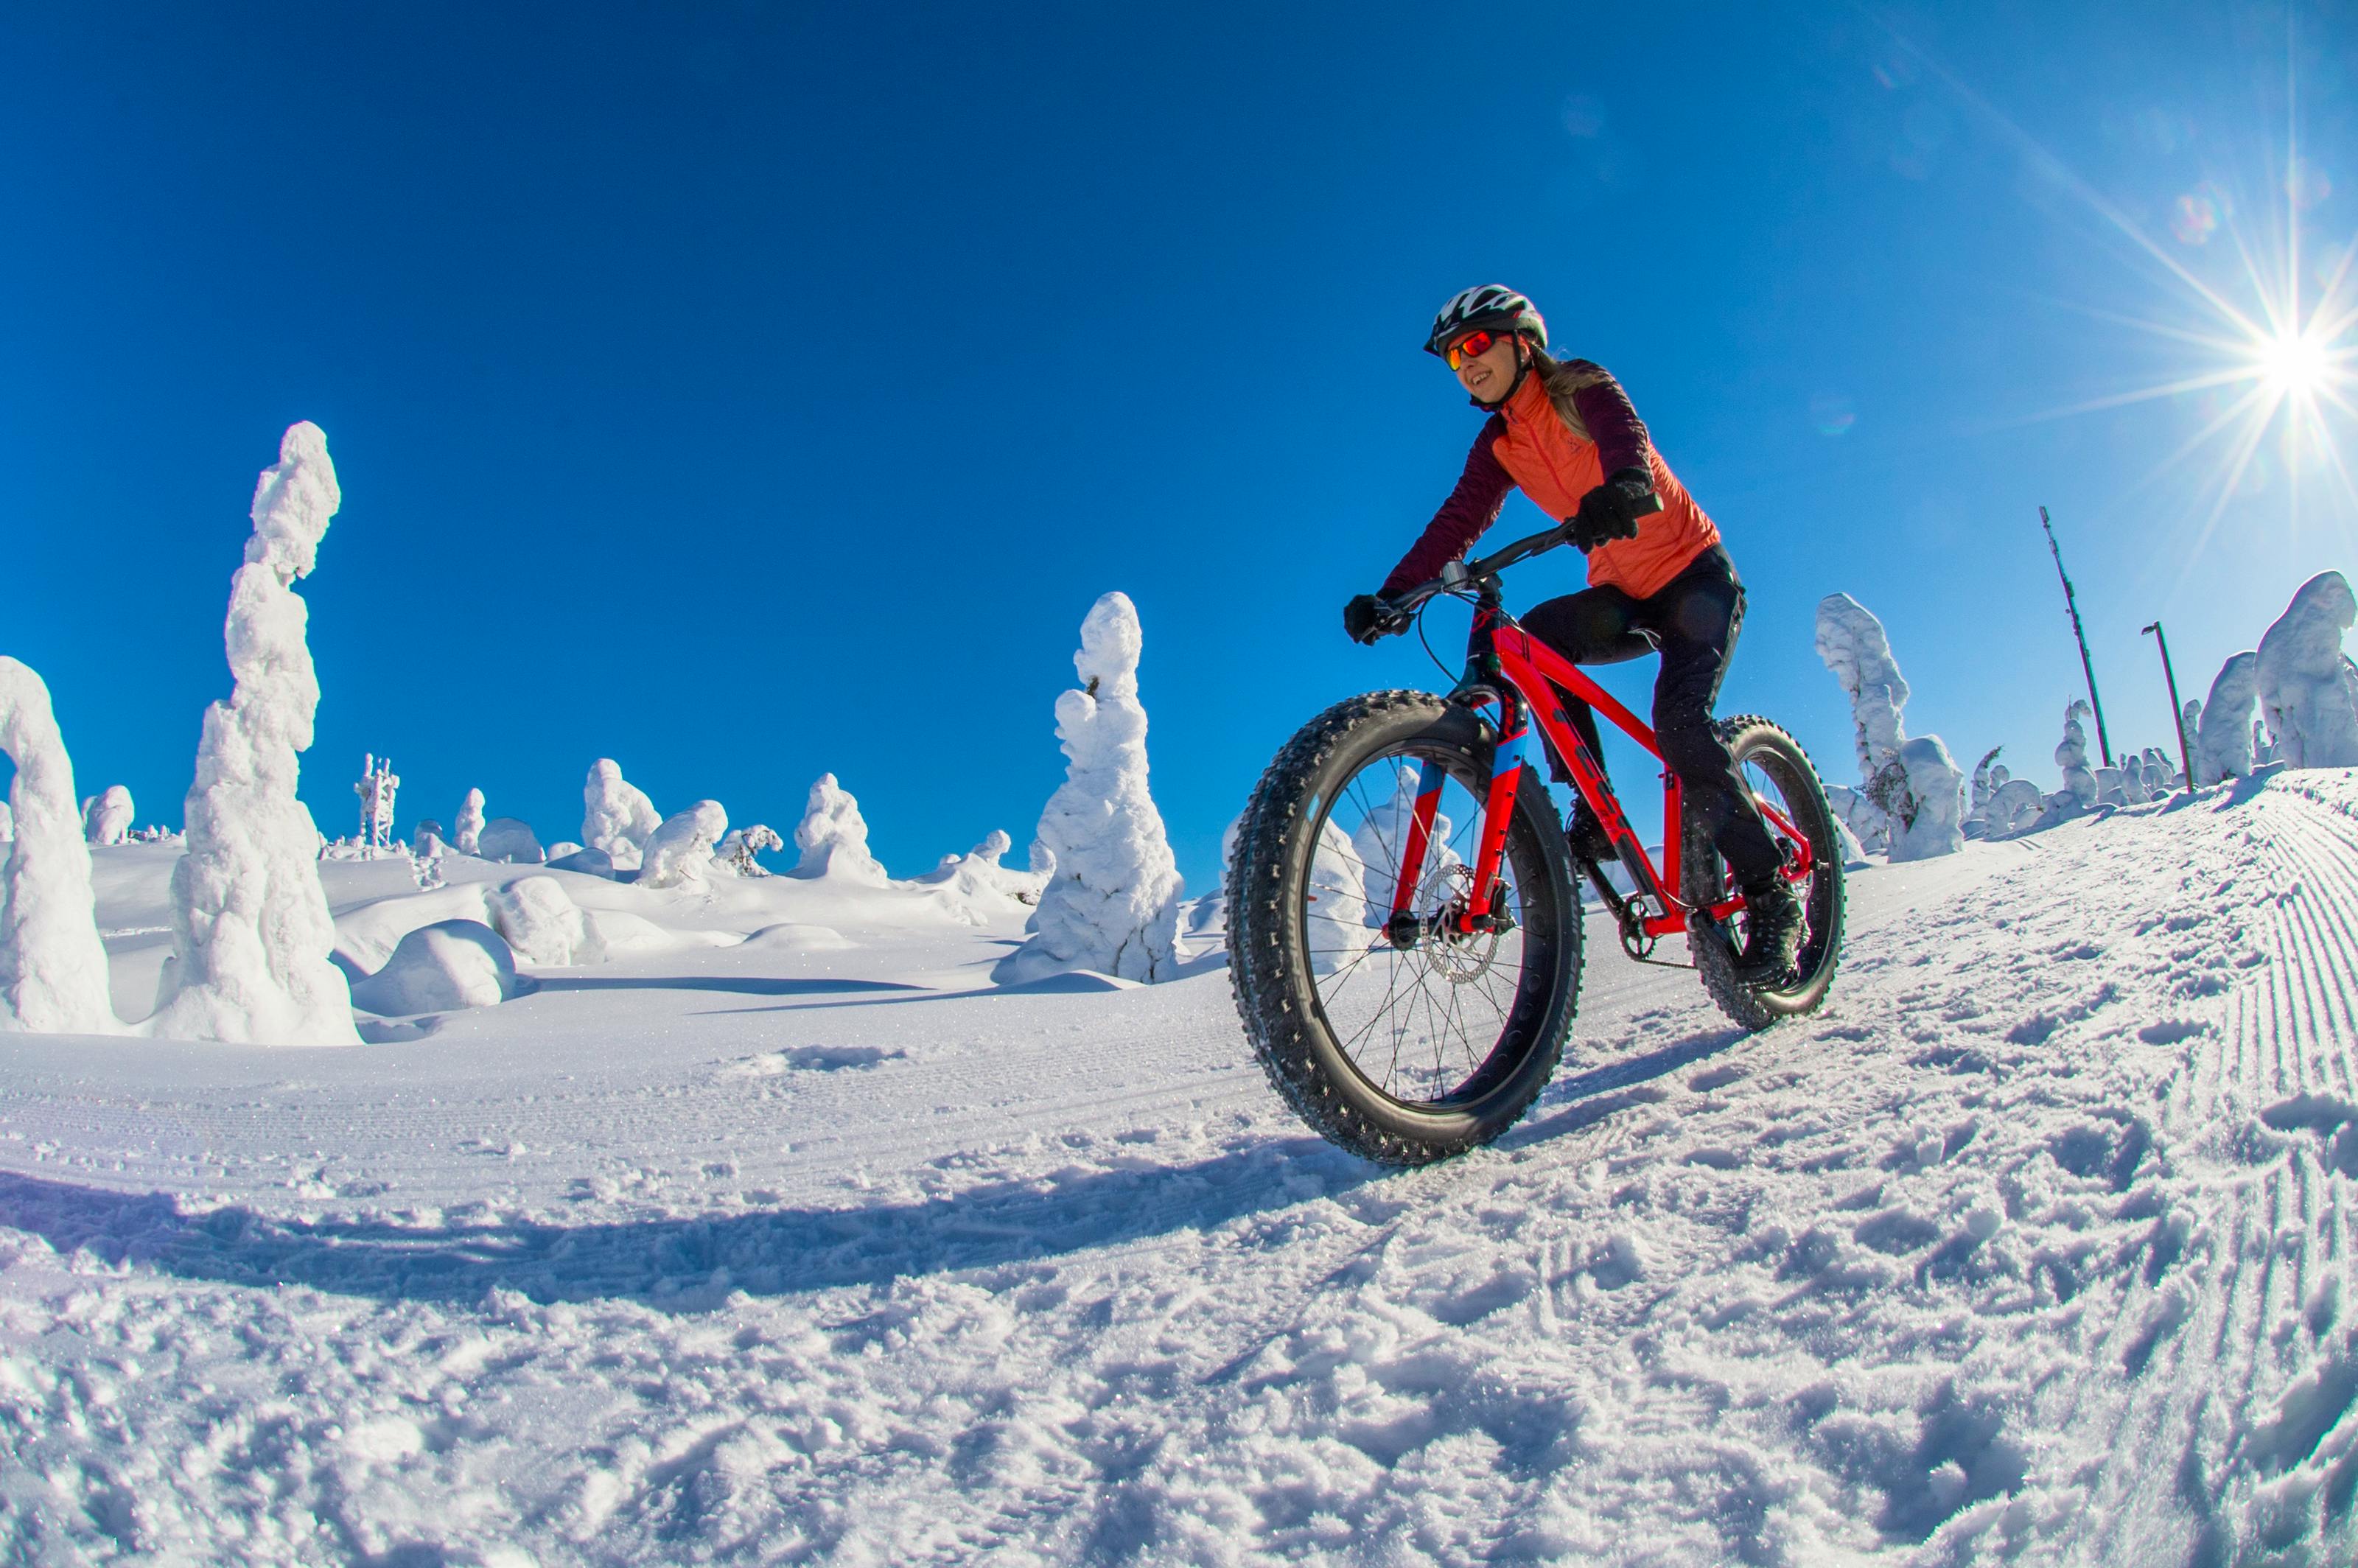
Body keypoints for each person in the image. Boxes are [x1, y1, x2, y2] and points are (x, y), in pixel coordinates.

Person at [1343, 284, 1802, 982]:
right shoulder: (1499, 444)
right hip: (1623, 592)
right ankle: (1591, 805)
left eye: (1474, 346)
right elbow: (1457, 521)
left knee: (1680, 724)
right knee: (1535, 641)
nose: (1465, 366)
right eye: (1451, 360)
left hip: (1696, 581)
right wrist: (1395, 593)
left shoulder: (1580, 386)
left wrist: (1623, 487)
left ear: (1521, 342)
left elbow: (1627, 439)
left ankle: (1772, 896)